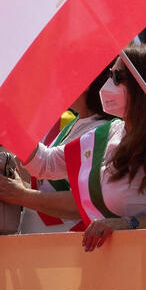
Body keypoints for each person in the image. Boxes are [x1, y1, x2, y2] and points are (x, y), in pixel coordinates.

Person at [0, 44, 146, 251]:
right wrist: (7, 121)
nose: (107, 83)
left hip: (145, 267)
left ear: (143, 86)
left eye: (116, 77)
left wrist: (128, 224)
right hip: (102, 266)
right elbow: (45, 164)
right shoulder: (109, 133)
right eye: (109, 73)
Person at [19, 67, 112, 234]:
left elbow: (84, 200)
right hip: (41, 238)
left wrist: (20, 195)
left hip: (68, 242)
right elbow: (44, 176)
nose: (55, 86)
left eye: (60, 78)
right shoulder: (76, 123)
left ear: (84, 84)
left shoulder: (102, 131)